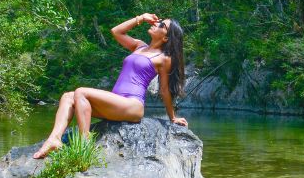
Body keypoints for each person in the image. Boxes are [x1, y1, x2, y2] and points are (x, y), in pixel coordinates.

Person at [33, 13, 188, 159]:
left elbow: (164, 90)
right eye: (159, 21)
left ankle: (84, 146)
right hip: (116, 101)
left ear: (166, 37)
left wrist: (172, 117)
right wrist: (140, 18)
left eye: (162, 25)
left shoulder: (164, 58)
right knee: (68, 97)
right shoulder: (139, 46)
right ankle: (54, 139)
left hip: (132, 105)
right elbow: (116, 31)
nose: (156, 23)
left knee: (81, 92)